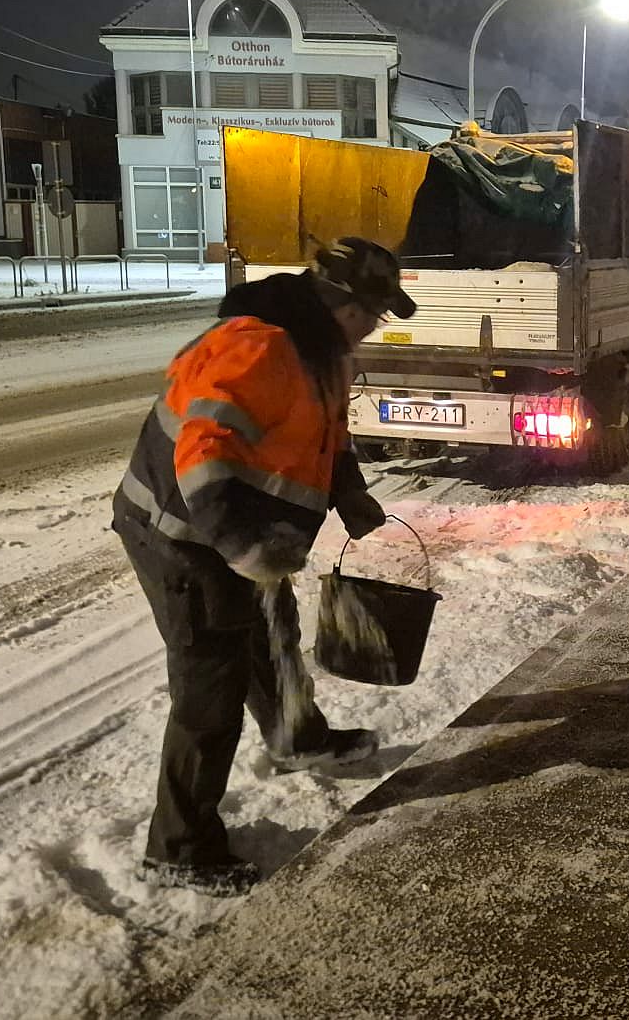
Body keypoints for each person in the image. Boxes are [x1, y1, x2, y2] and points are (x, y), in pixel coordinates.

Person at [112, 237, 414, 897]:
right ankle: (179, 848)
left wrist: (349, 493)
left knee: (268, 629)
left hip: (245, 528)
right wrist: (246, 553)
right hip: (181, 532)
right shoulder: (260, 349)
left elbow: (325, 435)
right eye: (372, 312)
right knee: (209, 685)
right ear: (340, 304)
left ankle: (295, 736)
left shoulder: (323, 353)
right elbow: (204, 455)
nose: (376, 326)